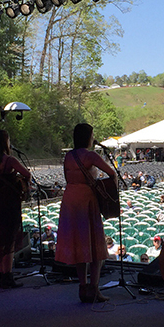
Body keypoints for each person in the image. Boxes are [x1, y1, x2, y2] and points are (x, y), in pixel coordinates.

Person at [56, 123, 118, 303]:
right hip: (86, 200)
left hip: (70, 199)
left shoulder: (69, 156)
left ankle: (82, 287)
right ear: (88, 137)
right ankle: (94, 289)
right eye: (92, 135)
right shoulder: (91, 155)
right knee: (94, 244)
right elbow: (111, 173)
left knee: (78, 243)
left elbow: (68, 178)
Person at [0, 130, 32, 289]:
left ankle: (1, 275)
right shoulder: (10, 160)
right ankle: (8, 276)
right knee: (10, 238)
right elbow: (27, 174)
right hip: (10, 202)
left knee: (0, 237)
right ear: (5, 142)